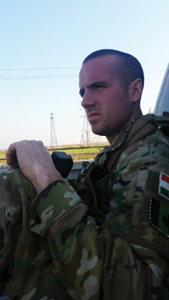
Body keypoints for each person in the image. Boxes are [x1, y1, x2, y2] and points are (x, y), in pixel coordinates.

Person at [1, 49, 169, 300]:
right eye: (82, 91)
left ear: (134, 91)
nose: (84, 101)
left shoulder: (151, 162)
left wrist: (46, 178)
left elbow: (138, 287)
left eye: (98, 87)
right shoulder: (116, 153)